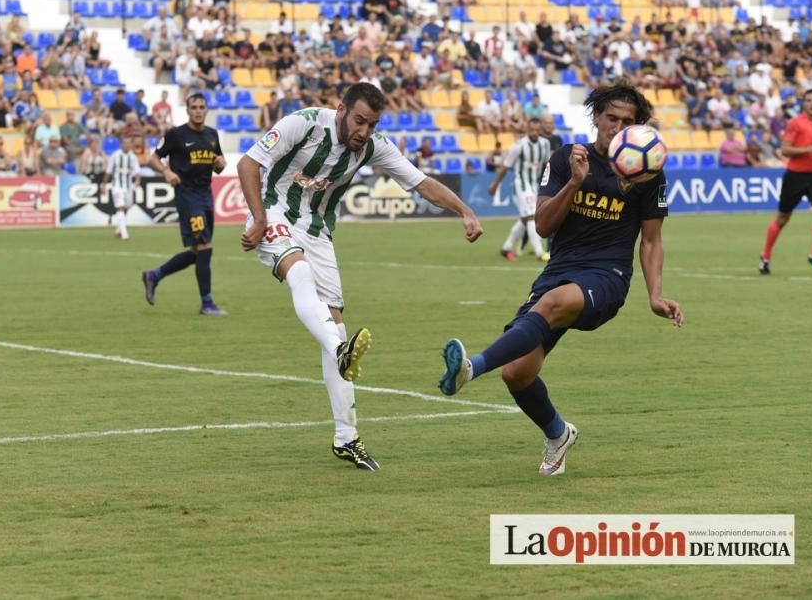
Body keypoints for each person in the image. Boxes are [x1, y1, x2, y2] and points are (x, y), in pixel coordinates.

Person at [437, 82, 683, 476]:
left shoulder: (647, 173)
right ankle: (557, 433)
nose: (617, 127)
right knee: (517, 372)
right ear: (597, 117)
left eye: (627, 122)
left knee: (550, 305)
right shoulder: (569, 157)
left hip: (608, 276)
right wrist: (575, 182)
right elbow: (545, 225)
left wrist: (655, 294)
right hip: (559, 271)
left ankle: (470, 367)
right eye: (611, 118)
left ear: (637, 127)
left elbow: (652, 241)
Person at [237, 83, 484, 471]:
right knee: (298, 273)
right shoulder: (302, 124)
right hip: (274, 213)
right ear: (340, 109)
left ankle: (346, 438)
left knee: (335, 324)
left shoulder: (373, 145)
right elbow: (248, 164)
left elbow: (420, 182)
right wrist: (260, 218)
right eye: (358, 121)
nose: (363, 132)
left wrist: (465, 210)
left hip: (317, 231)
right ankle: (340, 351)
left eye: (371, 124)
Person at [142, 93, 228, 315]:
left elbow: (218, 165)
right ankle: (207, 303)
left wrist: (221, 163)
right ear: (187, 111)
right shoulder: (176, 135)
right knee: (205, 248)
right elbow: (152, 158)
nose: (198, 110)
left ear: (206, 110)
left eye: (202, 107)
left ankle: (154, 275)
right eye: (194, 107)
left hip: (206, 196)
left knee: (199, 251)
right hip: (187, 197)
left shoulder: (211, 135)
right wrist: (166, 171)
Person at [759, 89, 812, 274]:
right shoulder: (795, 123)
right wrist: (810, 149)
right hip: (795, 177)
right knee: (782, 219)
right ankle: (765, 256)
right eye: (809, 100)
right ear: (804, 103)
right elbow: (785, 150)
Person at [488, 117, 552, 262]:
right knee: (532, 216)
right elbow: (505, 167)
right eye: (532, 130)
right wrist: (495, 184)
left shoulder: (545, 144)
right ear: (527, 130)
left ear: (540, 130)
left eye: (537, 130)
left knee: (524, 220)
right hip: (521, 185)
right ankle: (540, 253)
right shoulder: (519, 146)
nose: (534, 133)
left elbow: (547, 165)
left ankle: (506, 248)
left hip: (534, 186)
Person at [103, 136, 142, 241]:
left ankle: (118, 230)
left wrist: (138, 180)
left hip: (129, 187)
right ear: (121, 144)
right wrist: (104, 185)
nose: (127, 145)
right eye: (125, 143)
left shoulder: (132, 157)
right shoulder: (115, 156)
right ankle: (124, 234)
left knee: (126, 208)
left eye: (129, 143)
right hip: (117, 186)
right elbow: (108, 171)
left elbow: (137, 171)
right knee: (120, 207)